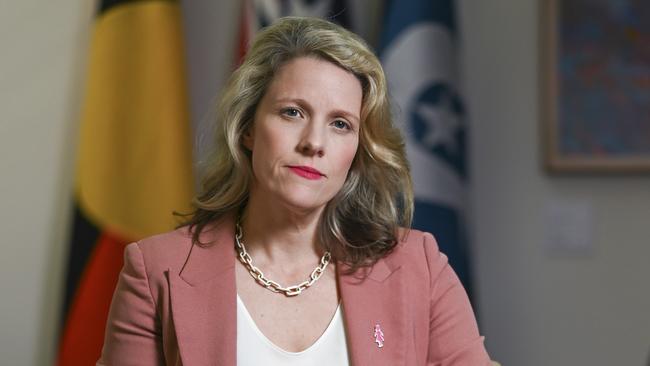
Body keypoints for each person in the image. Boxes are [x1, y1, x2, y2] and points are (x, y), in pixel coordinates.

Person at [97, 16, 492, 365]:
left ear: (357, 150)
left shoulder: (418, 266)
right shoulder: (155, 271)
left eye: (340, 124)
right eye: (293, 112)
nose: (313, 142)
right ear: (247, 128)